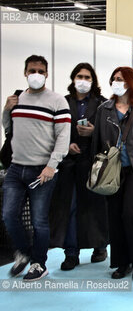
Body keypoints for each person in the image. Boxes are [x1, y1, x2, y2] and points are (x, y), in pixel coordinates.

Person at [2, 55, 71, 281]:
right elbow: (8, 127)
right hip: (16, 167)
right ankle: (24, 252)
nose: (36, 75)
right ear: (25, 72)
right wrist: (6, 109)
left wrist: (52, 166)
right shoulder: (17, 98)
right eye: (32, 70)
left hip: (42, 170)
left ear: (47, 74)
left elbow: (63, 137)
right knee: (9, 215)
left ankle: (38, 263)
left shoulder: (57, 101)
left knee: (40, 220)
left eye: (41, 71)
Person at [91, 66, 133, 281]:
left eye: (120, 79)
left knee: (130, 213)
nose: (116, 82)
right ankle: (121, 263)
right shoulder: (104, 109)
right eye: (114, 79)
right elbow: (97, 142)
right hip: (112, 170)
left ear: (130, 82)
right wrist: (96, 170)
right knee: (115, 216)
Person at [49, 63, 108, 271]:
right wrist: (66, 146)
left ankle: (100, 246)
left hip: (94, 163)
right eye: (80, 76)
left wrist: (93, 134)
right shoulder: (61, 103)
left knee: (96, 208)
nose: (83, 80)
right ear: (73, 78)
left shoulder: (103, 104)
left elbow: (110, 134)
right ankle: (71, 253)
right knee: (70, 208)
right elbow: (52, 132)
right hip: (68, 165)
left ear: (93, 81)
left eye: (87, 77)